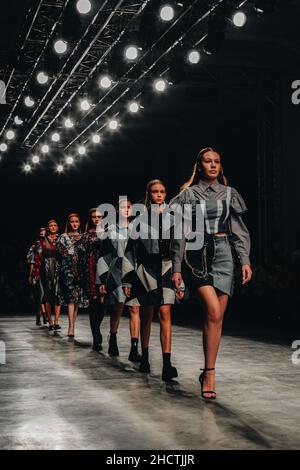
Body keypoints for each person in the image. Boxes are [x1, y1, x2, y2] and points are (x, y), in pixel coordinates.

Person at [170, 147, 252, 399]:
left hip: (225, 254)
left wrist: (245, 260)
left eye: (217, 161)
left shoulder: (230, 194)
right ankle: (210, 375)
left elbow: (238, 230)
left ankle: (208, 371)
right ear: (200, 165)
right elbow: (179, 233)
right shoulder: (189, 194)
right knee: (213, 311)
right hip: (197, 255)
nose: (213, 165)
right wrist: (176, 268)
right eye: (208, 161)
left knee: (215, 319)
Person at [123, 180, 184, 381]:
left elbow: (178, 248)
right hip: (145, 269)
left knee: (165, 312)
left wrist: (179, 277)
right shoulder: (139, 220)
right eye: (155, 191)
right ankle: (146, 358)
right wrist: (128, 280)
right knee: (147, 313)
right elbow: (130, 250)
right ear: (149, 194)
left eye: (162, 191)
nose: (159, 194)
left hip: (166, 268)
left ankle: (167, 364)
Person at [96, 199, 141, 361]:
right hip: (116, 272)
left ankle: (134, 348)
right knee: (118, 308)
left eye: (129, 207)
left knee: (135, 308)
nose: (126, 209)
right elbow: (103, 256)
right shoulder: (111, 230)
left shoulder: (137, 229)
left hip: (134, 272)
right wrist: (100, 280)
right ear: (117, 210)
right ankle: (113, 337)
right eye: (123, 207)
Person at [77, 208, 106, 351]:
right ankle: (96, 336)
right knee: (94, 304)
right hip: (90, 271)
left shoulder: (108, 234)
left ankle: (97, 329)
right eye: (94, 217)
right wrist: (80, 275)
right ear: (90, 219)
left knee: (102, 304)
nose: (96, 219)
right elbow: (80, 257)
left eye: (99, 216)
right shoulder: (85, 236)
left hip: (105, 270)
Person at [56, 213, 88, 338]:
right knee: (70, 299)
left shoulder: (83, 237)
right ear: (68, 223)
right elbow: (60, 254)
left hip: (80, 271)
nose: (74, 224)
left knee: (76, 299)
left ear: (79, 223)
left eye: (76, 221)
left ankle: (73, 326)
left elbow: (86, 254)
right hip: (67, 270)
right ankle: (71, 327)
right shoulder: (63, 237)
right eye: (72, 221)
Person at [35, 220, 61, 331]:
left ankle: (56, 322)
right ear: (48, 228)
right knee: (47, 294)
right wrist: (35, 272)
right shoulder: (41, 241)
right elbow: (37, 257)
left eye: (55, 225)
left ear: (57, 227)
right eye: (51, 225)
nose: (53, 227)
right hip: (45, 268)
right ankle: (50, 321)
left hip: (58, 267)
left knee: (57, 294)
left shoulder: (61, 239)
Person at [27, 228, 47, 326]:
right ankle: (39, 317)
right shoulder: (34, 247)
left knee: (43, 295)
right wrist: (30, 274)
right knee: (40, 294)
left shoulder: (49, 244)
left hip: (47, 271)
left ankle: (43, 316)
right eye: (41, 232)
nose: (43, 233)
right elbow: (32, 261)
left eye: (44, 232)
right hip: (38, 272)